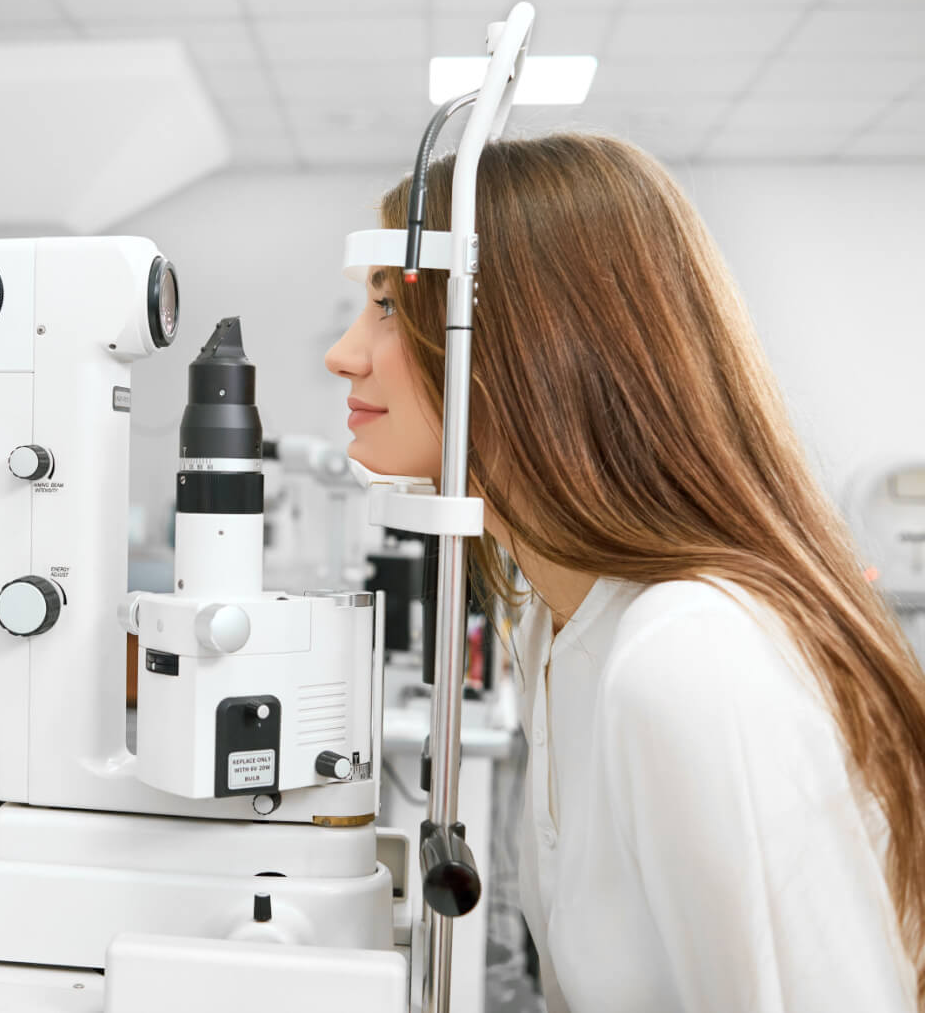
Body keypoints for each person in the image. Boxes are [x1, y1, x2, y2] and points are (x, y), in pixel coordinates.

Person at [326, 133, 925, 1012]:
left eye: (388, 308)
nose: (344, 354)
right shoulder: (556, 622)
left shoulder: (690, 658)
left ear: (529, 343)